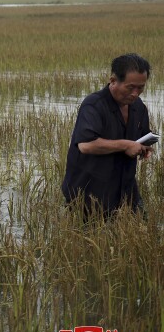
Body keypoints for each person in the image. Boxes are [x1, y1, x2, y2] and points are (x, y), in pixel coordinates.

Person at [61, 53, 153, 217]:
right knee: (90, 239)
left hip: (126, 188)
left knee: (142, 228)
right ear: (113, 81)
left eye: (141, 87)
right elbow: (86, 145)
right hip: (89, 193)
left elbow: (142, 137)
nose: (136, 93)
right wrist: (126, 145)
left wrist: (144, 148)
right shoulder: (94, 105)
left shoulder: (138, 107)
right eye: (130, 87)